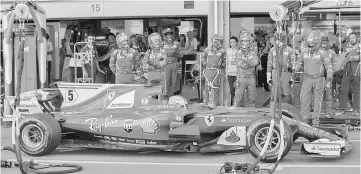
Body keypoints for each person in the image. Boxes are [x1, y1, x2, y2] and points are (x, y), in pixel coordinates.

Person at [294, 30, 333, 126]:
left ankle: (316, 123)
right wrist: (294, 70)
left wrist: (328, 81)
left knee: (317, 102)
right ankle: (304, 123)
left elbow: (329, 68)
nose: (311, 46)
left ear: (318, 43)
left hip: (319, 79)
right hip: (307, 78)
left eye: (313, 45)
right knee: (304, 101)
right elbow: (298, 66)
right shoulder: (304, 52)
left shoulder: (323, 53)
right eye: (309, 44)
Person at [233, 31, 259, 108]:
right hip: (241, 78)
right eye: (243, 41)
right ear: (241, 42)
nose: (245, 42)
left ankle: (252, 113)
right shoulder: (238, 53)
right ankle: (234, 113)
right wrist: (249, 62)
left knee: (252, 98)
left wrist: (246, 61)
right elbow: (241, 64)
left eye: (247, 41)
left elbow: (256, 62)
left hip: (251, 78)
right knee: (238, 97)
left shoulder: (253, 53)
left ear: (250, 41)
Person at [266, 32, 293, 105]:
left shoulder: (289, 50)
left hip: (286, 73)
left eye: (281, 40)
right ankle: (274, 113)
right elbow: (269, 64)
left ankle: (290, 112)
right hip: (275, 73)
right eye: (277, 39)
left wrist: (292, 78)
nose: (279, 41)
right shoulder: (272, 50)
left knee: (287, 94)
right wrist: (268, 77)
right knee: (275, 94)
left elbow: (293, 64)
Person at [336, 40, 360, 116]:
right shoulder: (346, 48)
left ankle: (356, 110)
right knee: (343, 91)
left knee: (357, 93)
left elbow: (355, 58)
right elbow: (343, 59)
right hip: (347, 73)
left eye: (353, 38)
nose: (352, 39)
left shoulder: (359, 48)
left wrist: (356, 57)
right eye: (350, 38)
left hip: (357, 73)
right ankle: (342, 109)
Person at [201, 34, 226, 108]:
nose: (217, 42)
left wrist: (221, 66)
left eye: (219, 40)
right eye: (216, 40)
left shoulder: (222, 51)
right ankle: (205, 101)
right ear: (212, 41)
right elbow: (203, 58)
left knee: (216, 86)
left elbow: (225, 61)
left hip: (217, 71)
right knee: (206, 86)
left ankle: (215, 102)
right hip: (208, 70)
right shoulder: (207, 50)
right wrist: (205, 64)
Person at [162, 28, 183, 98]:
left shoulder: (176, 43)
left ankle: (170, 96)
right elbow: (158, 55)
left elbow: (181, 54)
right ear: (164, 36)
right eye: (167, 36)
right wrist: (165, 55)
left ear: (173, 36)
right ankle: (164, 95)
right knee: (166, 80)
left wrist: (175, 54)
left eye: (170, 36)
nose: (169, 38)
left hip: (174, 64)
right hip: (166, 64)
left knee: (173, 81)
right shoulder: (162, 44)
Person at [320, 34, 337, 118]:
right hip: (318, 77)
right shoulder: (317, 52)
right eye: (322, 43)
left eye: (325, 42)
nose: (324, 44)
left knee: (328, 94)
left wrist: (330, 75)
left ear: (328, 43)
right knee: (318, 95)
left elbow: (335, 66)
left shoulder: (332, 53)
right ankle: (318, 112)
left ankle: (328, 112)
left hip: (328, 77)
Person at [226, 36, 239, 106]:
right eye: (231, 42)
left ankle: (237, 104)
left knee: (237, 89)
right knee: (231, 89)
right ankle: (232, 104)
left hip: (237, 73)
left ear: (236, 43)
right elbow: (227, 62)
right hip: (229, 73)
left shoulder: (239, 51)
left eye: (233, 42)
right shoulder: (228, 51)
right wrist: (226, 72)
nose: (232, 43)